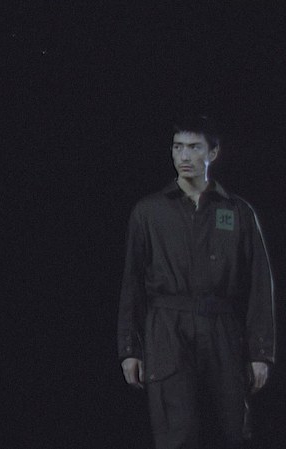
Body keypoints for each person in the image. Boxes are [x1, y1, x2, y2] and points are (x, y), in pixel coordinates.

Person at [117, 116, 275, 448]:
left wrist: (260, 352)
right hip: (167, 328)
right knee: (176, 432)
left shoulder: (238, 211)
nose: (184, 156)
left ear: (212, 153)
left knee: (230, 429)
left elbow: (260, 284)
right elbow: (132, 282)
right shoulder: (149, 211)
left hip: (222, 328)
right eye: (178, 147)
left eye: (193, 147)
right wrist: (129, 348)